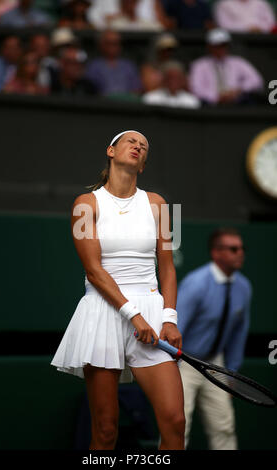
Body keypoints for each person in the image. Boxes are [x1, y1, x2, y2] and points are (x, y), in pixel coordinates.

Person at [51, 130, 185, 450]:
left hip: (152, 312)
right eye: (131, 142)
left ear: (143, 166)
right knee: (106, 429)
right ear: (111, 151)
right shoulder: (84, 205)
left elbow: (167, 267)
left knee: (176, 421)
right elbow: (94, 272)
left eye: (144, 146)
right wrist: (133, 316)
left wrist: (169, 318)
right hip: (104, 311)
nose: (138, 146)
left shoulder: (161, 205)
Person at [177, 227, 252, 449]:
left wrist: (232, 374)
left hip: (216, 364)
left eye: (241, 248)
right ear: (216, 253)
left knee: (224, 427)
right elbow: (175, 327)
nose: (240, 253)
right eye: (233, 248)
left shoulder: (244, 287)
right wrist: (173, 366)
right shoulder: (196, 284)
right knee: (179, 425)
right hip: (185, 362)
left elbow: (239, 333)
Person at [189, 28, 264, 105]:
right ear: (209, 46)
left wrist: (238, 91)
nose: (221, 49)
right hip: (210, 105)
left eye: (224, 45)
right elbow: (196, 88)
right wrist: (217, 97)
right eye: (217, 45)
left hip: (237, 103)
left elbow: (256, 80)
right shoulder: (199, 65)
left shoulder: (238, 62)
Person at [86, 30, 142, 96]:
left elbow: (137, 89)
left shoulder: (128, 66)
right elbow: (90, 92)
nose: (113, 47)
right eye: (109, 43)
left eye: (116, 43)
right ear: (101, 45)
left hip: (127, 104)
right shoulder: (94, 66)